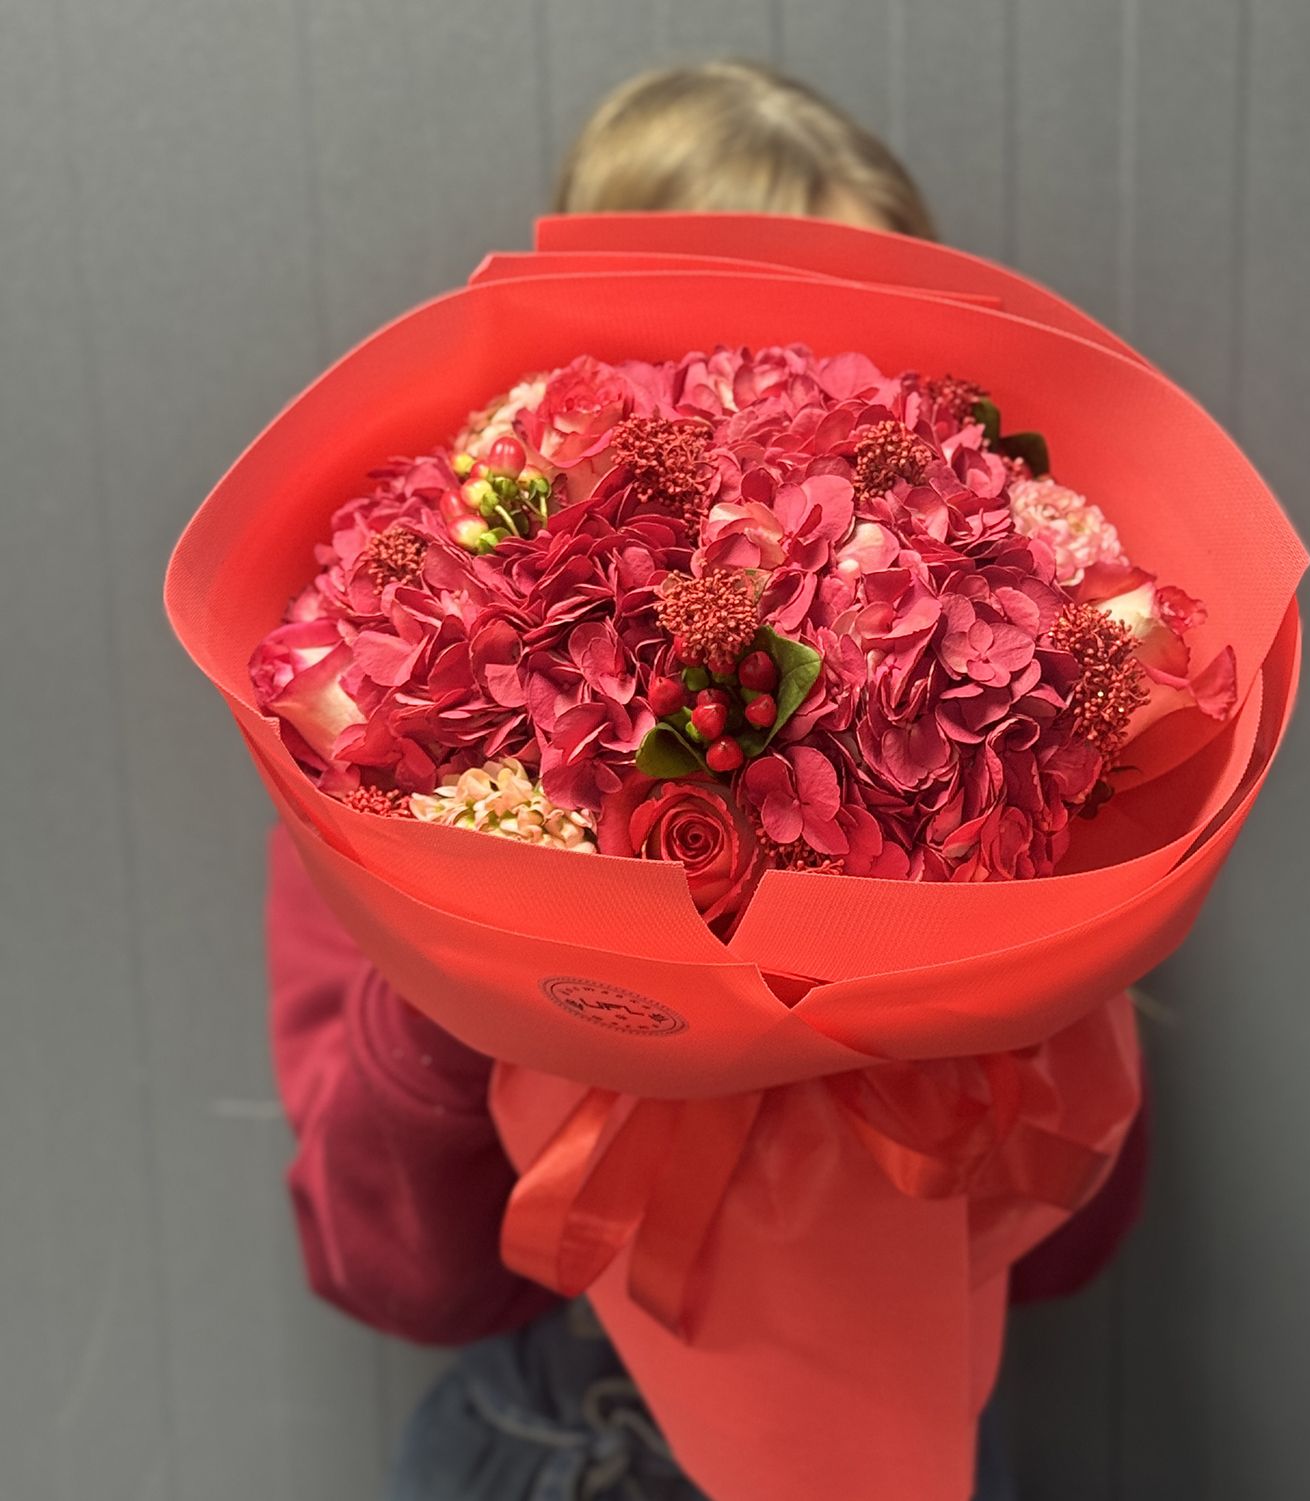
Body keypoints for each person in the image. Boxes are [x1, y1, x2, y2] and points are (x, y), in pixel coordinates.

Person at [268, 59, 1145, 1501]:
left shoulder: (1008, 730)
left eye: (880, 362)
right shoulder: (383, 739)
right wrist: (471, 940)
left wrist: (1004, 993)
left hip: (918, 1433)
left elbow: (1072, 1247)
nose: (816, 412)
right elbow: (388, 1272)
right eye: (741, 358)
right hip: (546, 1450)